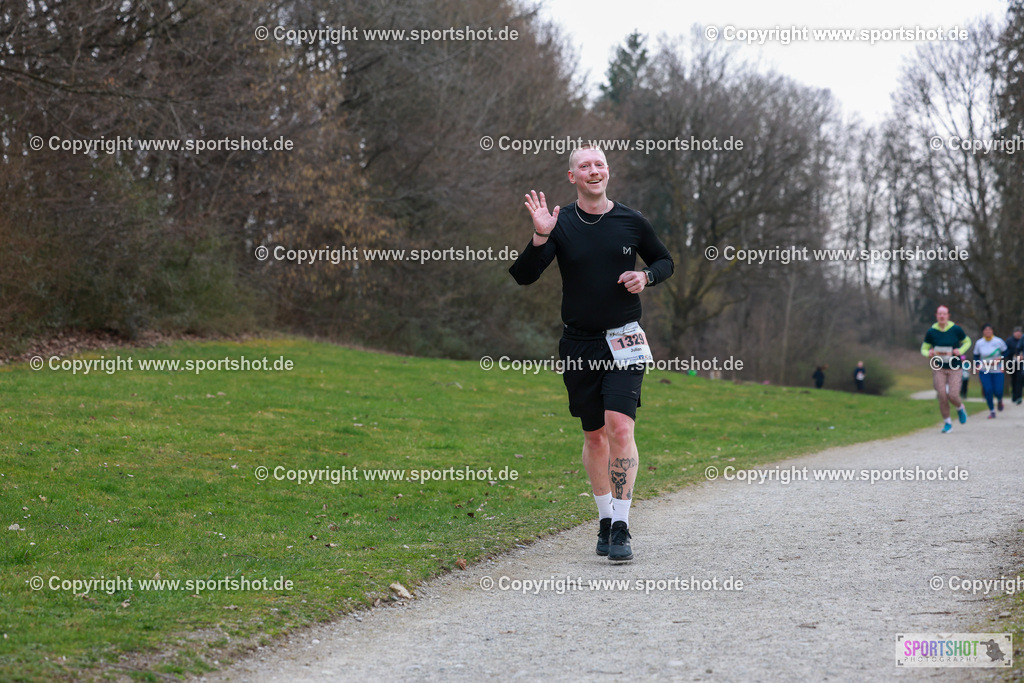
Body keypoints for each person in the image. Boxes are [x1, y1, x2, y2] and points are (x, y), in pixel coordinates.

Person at [509, 144, 674, 563]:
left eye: (599, 164)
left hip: (625, 339)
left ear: (608, 172)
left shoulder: (632, 220)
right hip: (579, 343)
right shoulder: (560, 222)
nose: (594, 170)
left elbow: (664, 260)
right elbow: (524, 276)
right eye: (585, 166)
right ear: (573, 176)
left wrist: (646, 275)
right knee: (594, 434)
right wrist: (541, 234)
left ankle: (622, 525)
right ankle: (604, 519)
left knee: (620, 427)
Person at [921, 305, 971, 433]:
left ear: (948, 315)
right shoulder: (931, 332)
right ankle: (947, 422)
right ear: (936, 316)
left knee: (953, 395)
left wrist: (959, 350)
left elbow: (967, 342)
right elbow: (924, 348)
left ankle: (960, 408)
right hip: (938, 367)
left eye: (944, 314)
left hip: (954, 367)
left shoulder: (956, 329)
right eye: (939, 314)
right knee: (942, 395)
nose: (942, 316)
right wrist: (929, 353)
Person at [973, 324, 1007, 419]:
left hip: (997, 370)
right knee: (988, 390)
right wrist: (977, 365)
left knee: (998, 391)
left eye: (990, 329)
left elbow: (1006, 352)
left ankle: (1000, 399)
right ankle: (992, 411)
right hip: (985, 370)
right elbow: (976, 356)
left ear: (992, 331)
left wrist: (1000, 358)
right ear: (983, 331)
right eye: (986, 330)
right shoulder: (979, 343)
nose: (988, 331)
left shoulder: (998, 341)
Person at [1005, 326, 1024, 405]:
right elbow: (1006, 351)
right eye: (1017, 332)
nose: (1018, 334)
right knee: (1014, 379)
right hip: (1011, 362)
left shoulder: (1022, 339)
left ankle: (1018, 396)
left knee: (1019, 379)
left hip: (1021, 362)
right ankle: (1014, 394)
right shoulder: (1009, 341)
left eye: (1019, 332)